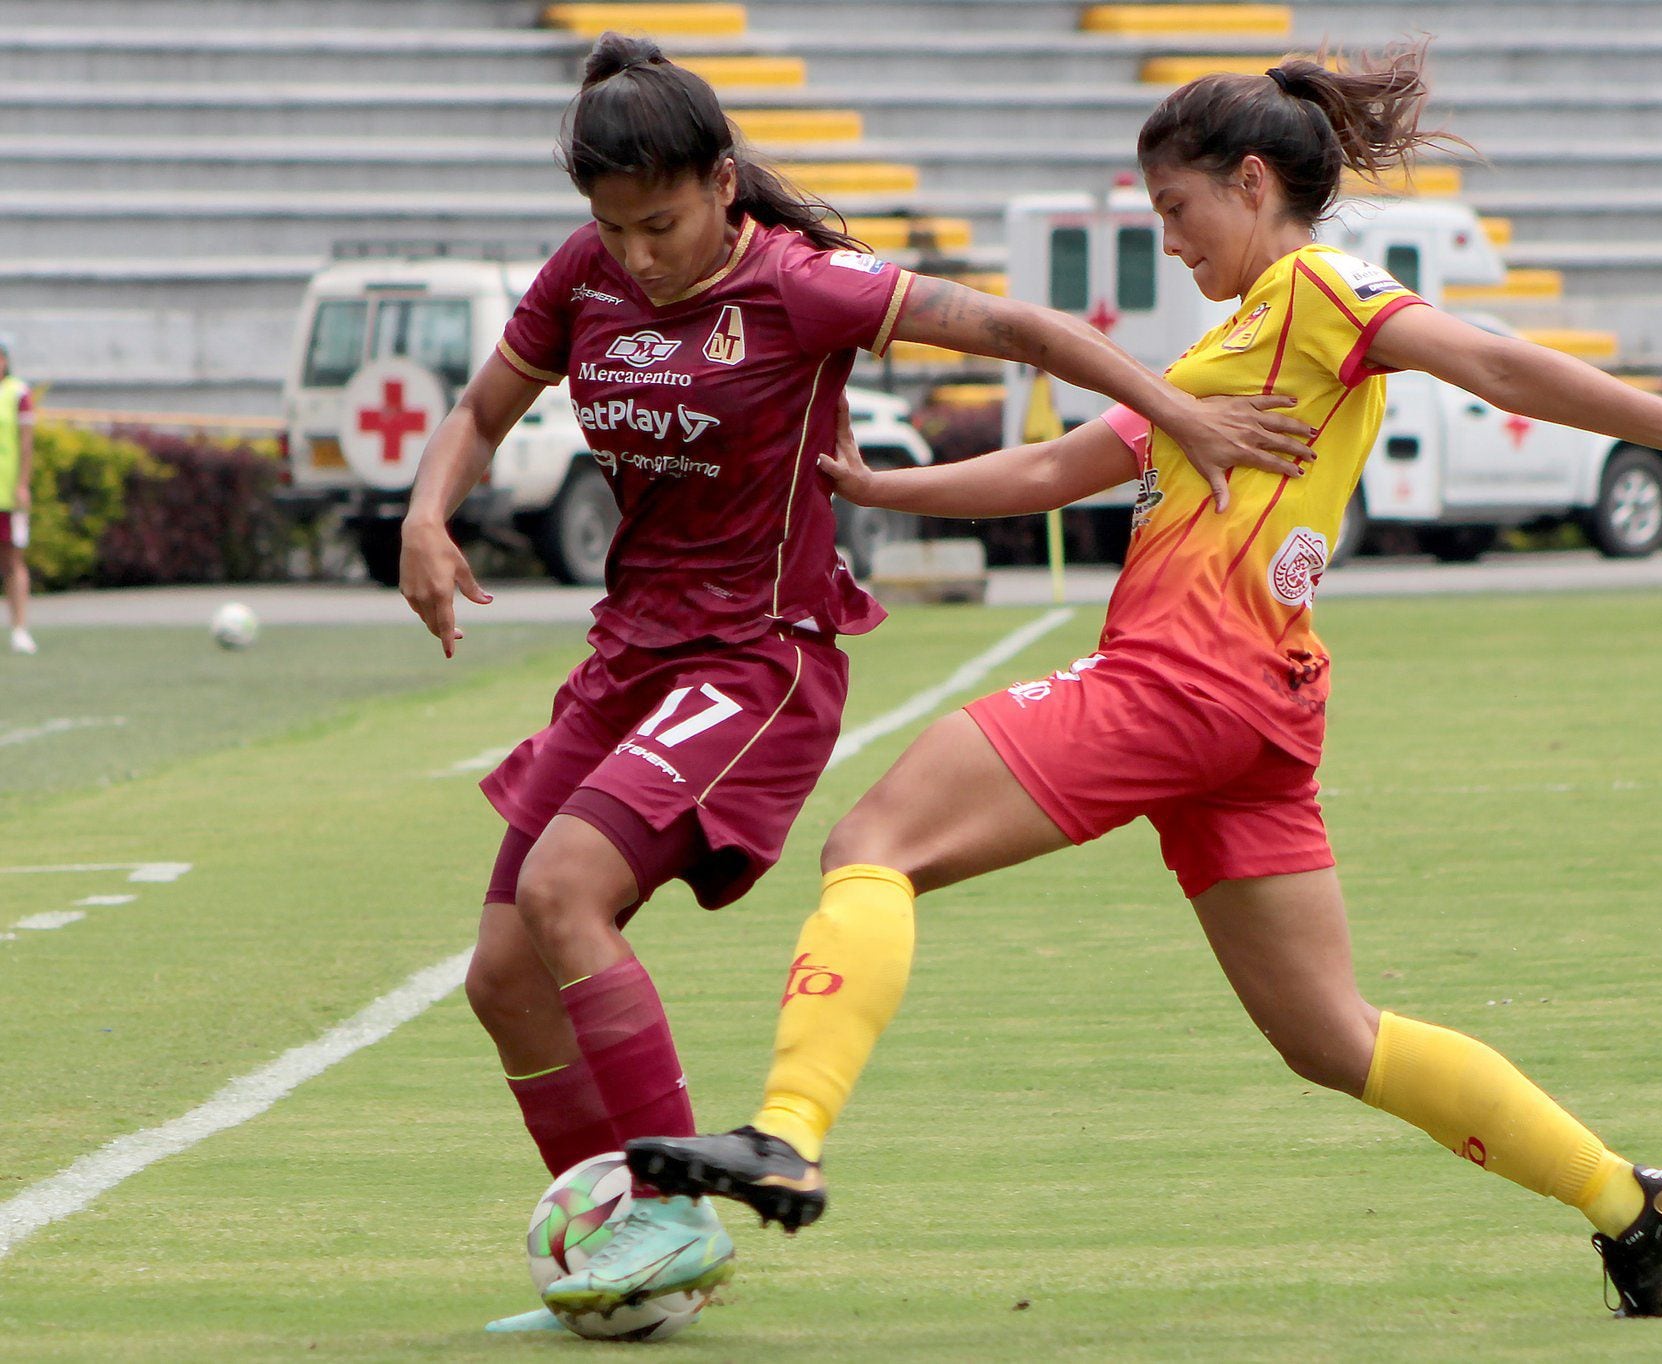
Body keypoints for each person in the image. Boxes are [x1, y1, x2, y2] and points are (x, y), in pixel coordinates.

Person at [606, 50, 1662, 1321]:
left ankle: (788, 1126)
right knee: (1330, 1037)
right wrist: (880, 488)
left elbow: (1489, 362)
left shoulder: (1314, 289)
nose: (1168, 240)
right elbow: (1058, 467)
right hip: (1257, 712)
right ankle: (1630, 1201)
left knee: (872, 841)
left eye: (1175, 211)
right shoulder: (1234, 346)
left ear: (1249, 182)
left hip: (1180, 681)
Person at [396, 33, 1314, 1334]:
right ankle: (614, 1239)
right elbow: (481, 414)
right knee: (502, 976)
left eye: (660, 223)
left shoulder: (804, 285)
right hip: (627, 659)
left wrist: (1175, 411)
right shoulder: (585, 275)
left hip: (755, 661)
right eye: (613, 227)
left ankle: (676, 1210)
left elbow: (1014, 326)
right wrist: (429, 514)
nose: (637, 255)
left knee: (563, 892)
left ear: (724, 184)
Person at [0, 335, 35, 656]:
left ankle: (19, 629)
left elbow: (26, 444)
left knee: (13, 560)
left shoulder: (17, 393)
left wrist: (23, 484)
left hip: (7, 495)